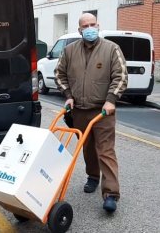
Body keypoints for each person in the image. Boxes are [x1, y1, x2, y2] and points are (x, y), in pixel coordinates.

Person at [54, 13, 128, 212]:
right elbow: (59, 74)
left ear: (98, 25)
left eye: (92, 24)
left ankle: (111, 193)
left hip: (103, 111)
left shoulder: (111, 49)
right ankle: (93, 177)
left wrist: (111, 100)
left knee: (106, 150)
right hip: (79, 111)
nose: (89, 28)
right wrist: (68, 95)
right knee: (87, 148)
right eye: (85, 25)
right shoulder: (70, 51)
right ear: (79, 30)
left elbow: (120, 76)